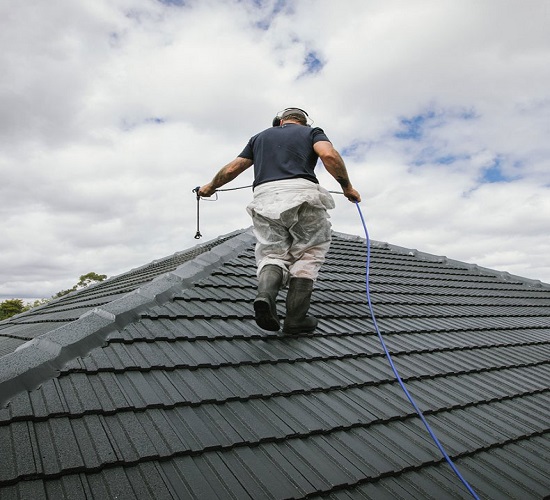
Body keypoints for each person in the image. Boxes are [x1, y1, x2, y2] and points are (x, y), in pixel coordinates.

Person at [198, 107, 361, 334]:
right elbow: (329, 155)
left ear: (280, 121)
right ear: (303, 122)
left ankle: (265, 295)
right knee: (309, 253)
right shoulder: (312, 132)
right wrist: (347, 187)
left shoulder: (259, 138)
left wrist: (210, 187)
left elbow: (234, 167)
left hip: (264, 198)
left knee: (272, 254)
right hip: (304, 196)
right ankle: (295, 318)